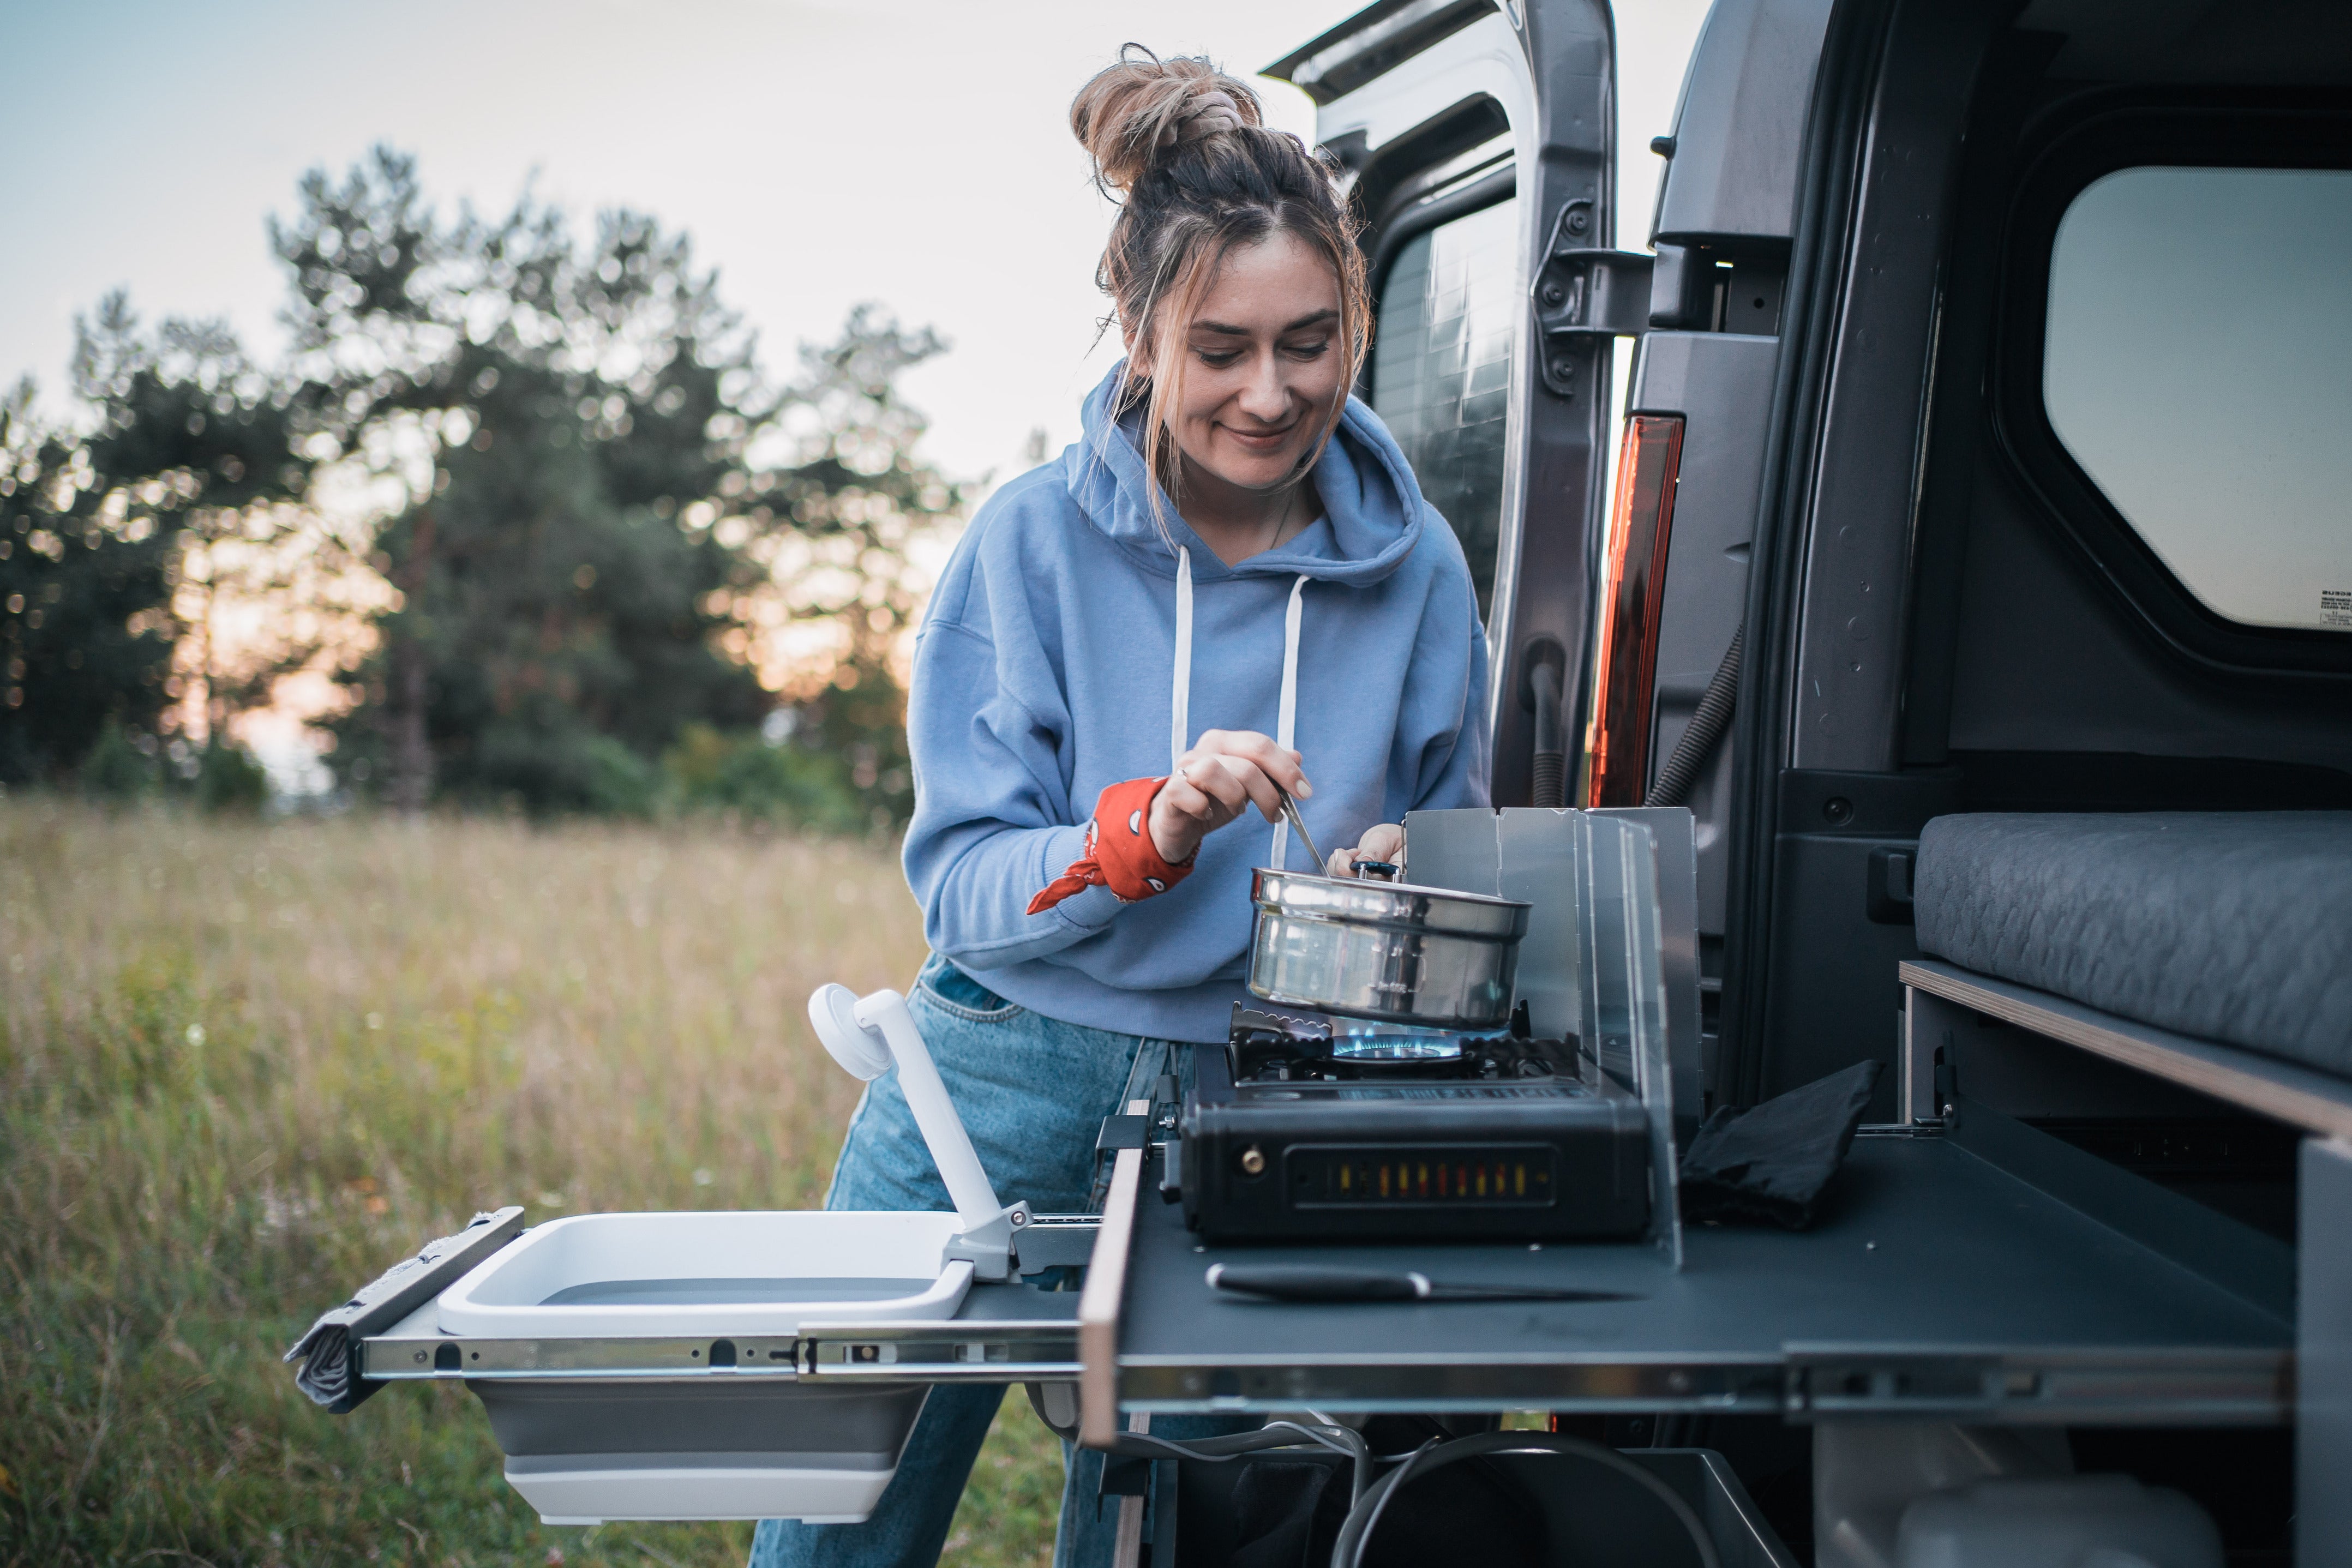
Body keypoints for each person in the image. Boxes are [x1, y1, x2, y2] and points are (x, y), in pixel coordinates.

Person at [748, 46, 1491, 1568]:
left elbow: (1462, 842)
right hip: (994, 1079)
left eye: (1311, 340)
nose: (1271, 393)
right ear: (1142, 339)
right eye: (1221, 346)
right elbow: (959, 883)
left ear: (1356, 323)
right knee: (838, 1527)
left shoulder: (1419, 572)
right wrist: (1140, 831)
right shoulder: (1022, 544)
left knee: (1178, 1540)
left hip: (1256, 1101)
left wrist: (1416, 868)